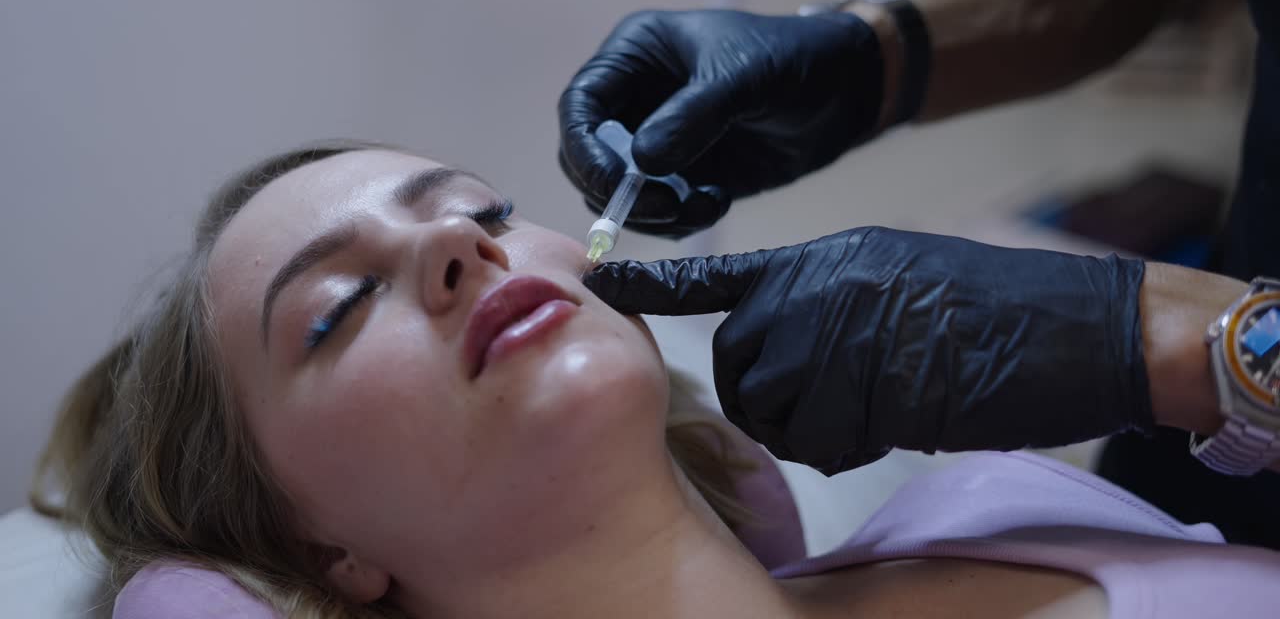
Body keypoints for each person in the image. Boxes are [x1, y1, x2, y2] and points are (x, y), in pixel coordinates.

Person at [30, 143, 1280, 618]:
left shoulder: (993, 501)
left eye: (485, 209)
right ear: (318, 548)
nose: (456, 246)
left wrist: (1211, 354)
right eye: (339, 306)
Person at [557, 0, 1280, 547]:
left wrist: (1152, 337)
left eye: (483, 214)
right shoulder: (1025, 530)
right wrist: (878, 50)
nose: (462, 245)